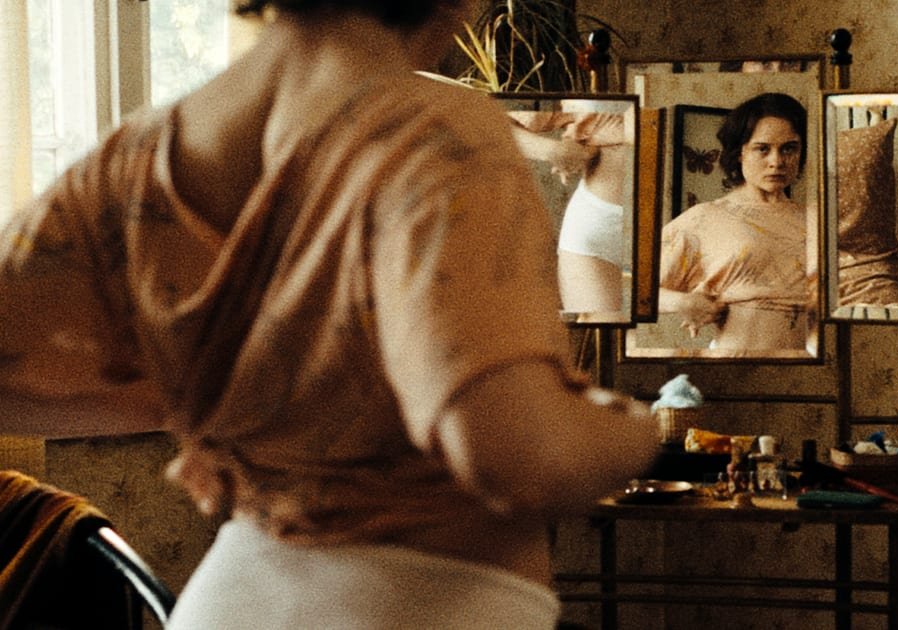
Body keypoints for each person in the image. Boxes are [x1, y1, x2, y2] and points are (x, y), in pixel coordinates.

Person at [0, 1, 659, 628]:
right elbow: (519, 457)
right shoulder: (433, 130)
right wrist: (641, 432)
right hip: (420, 606)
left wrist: (202, 400)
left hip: (228, 600)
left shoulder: (132, 159)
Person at [658, 92, 814, 355]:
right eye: (762, 149)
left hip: (810, 366)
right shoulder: (705, 217)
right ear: (740, 152)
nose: (777, 161)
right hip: (738, 362)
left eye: (789, 148)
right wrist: (684, 302)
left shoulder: (815, 218)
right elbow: (641, 291)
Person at [508, 100, 632, 316]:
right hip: (596, 230)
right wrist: (554, 150)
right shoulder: (578, 95)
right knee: (602, 331)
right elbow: (493, 128)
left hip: (672, 227)